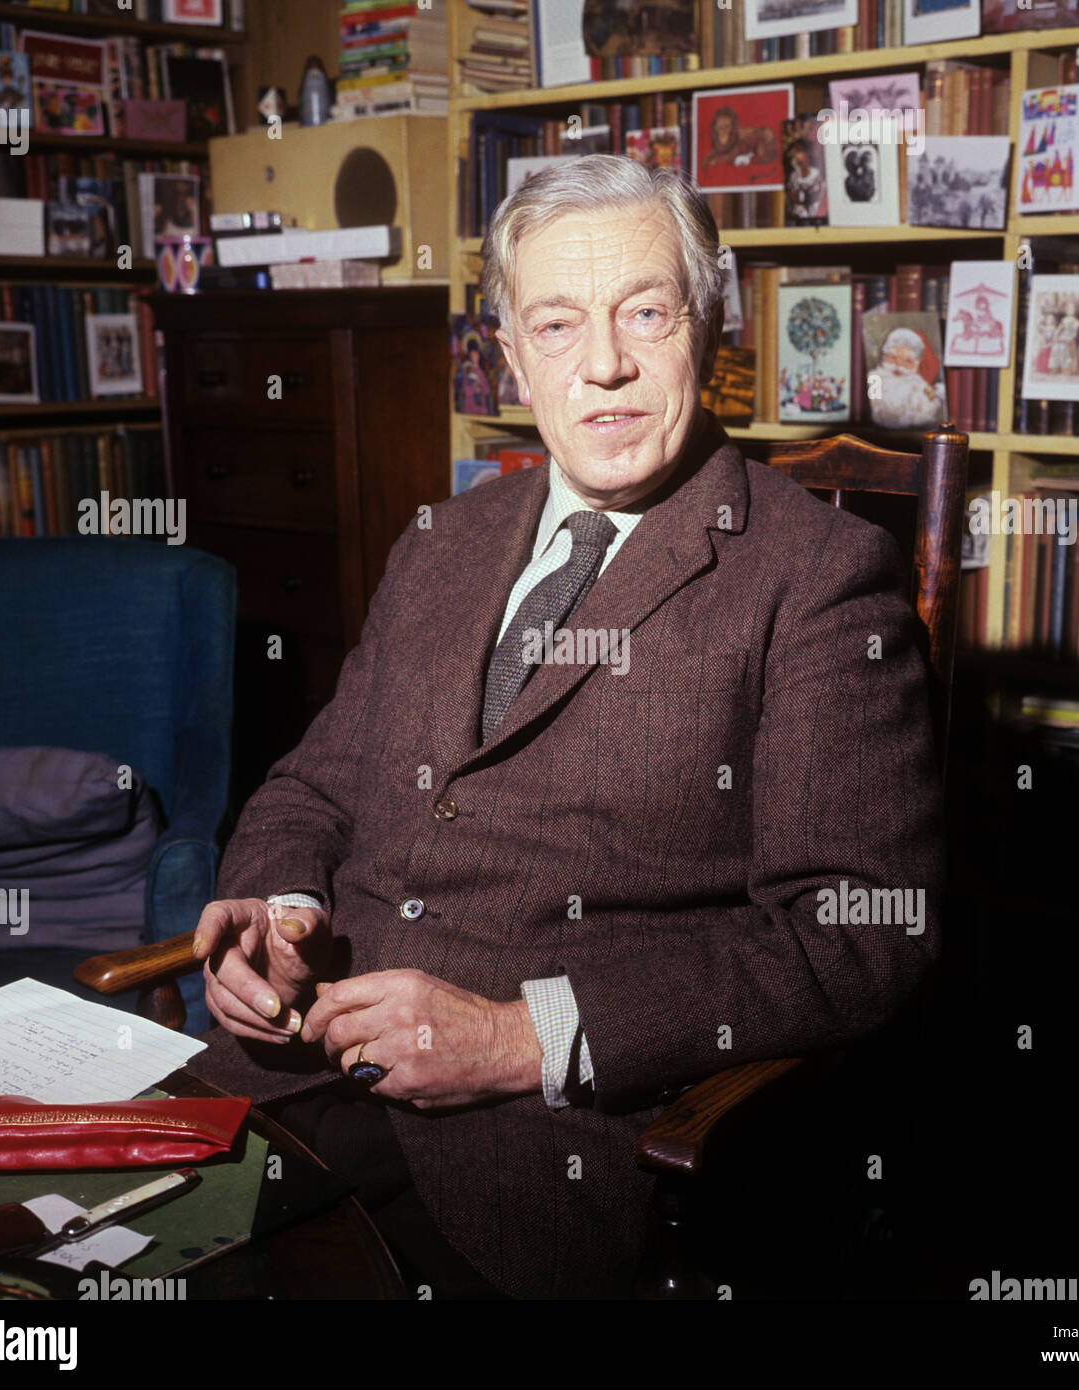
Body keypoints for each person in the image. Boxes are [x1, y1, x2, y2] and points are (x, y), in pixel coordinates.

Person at [186, 154, 943, 1300]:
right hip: (284, 1079)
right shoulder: (441, 540)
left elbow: (857, 934)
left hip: (534, 1163)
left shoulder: (818, 578)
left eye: (647, 311)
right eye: (557, 323)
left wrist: (519, 1038)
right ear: (510, 360)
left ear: (713, 325)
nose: (604, 365)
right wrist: (279, 912)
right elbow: (312, 789)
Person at [871, 326, 946, 430]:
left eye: (907, 361)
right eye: (893, 358)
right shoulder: (876, 378)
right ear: (884, 356)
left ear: (916, 364)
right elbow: (873, 407)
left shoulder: (918, 384)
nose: (898, 364)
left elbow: (926, 409)